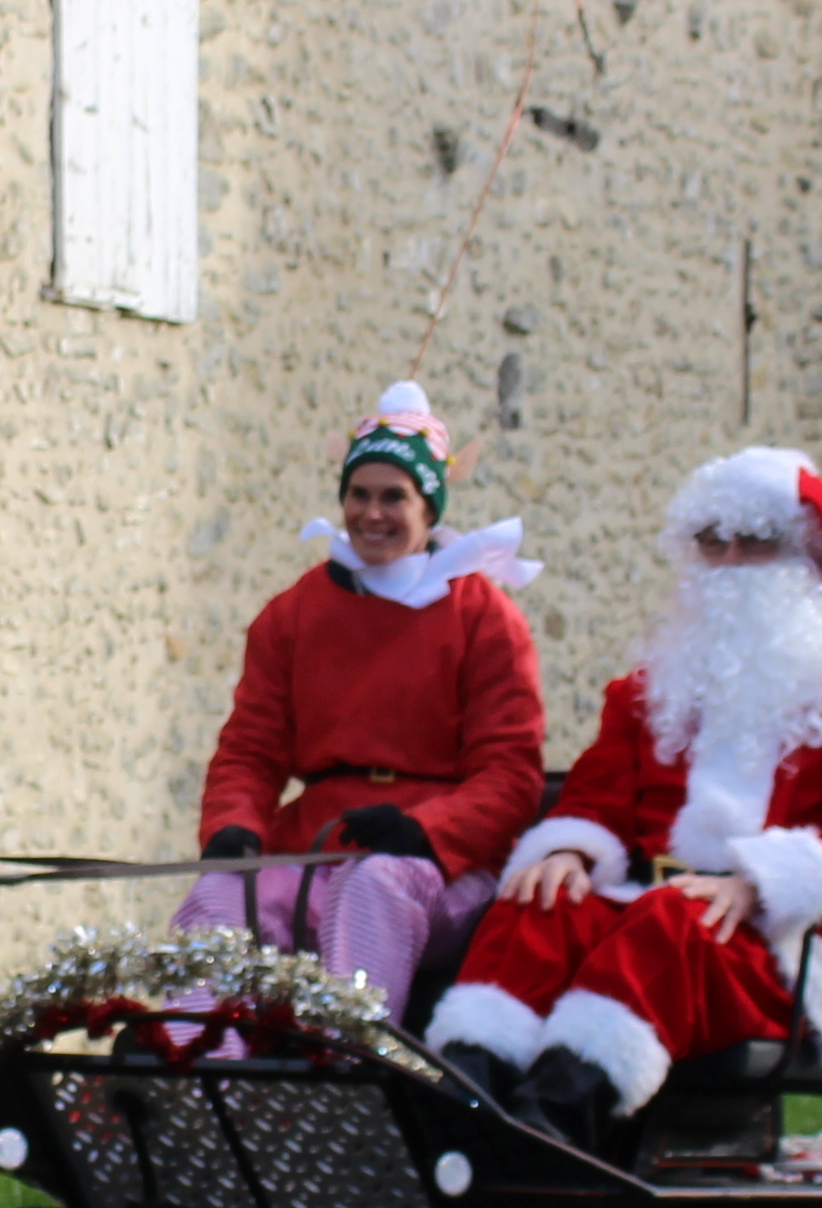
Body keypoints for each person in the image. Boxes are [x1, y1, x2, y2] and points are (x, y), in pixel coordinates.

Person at [423, 447, 822, 1135]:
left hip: (778, 944)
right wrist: (569, 852)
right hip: (650, 906)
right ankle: (462, 1100)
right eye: (710, 544)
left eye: (752, 545)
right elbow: (597, 796)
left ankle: (556, 1122)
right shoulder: (653, 689)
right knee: (541, 904)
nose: (727, 564)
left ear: (802, 560)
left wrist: (756, 883)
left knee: (671, 925)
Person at [178, 381, 546, 1005]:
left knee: (373, 887)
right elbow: (251, 751)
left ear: (428, 509)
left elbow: (509, 774)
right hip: (317, 845)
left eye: (394, 497)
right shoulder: (293, 614)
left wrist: (425, 830)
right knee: (219, 896)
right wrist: (232, 828)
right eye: (359, 494)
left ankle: (346, 1071)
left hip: (439, 866)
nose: (372, 514)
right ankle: (201, 1065)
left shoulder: (484, 616)